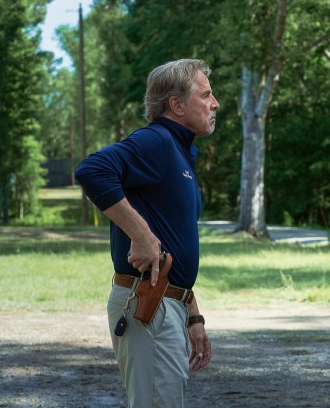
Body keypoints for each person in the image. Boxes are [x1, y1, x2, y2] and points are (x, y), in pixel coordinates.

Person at [75, 58, 219, 407]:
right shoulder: (157, 141)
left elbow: (174, 242)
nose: (215, 104)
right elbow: (92, 170)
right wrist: (140, 234)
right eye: (206, 95)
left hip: (169, 303)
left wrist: (192, 312)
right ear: (177, 105)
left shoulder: (180, 152)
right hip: (148, 304)